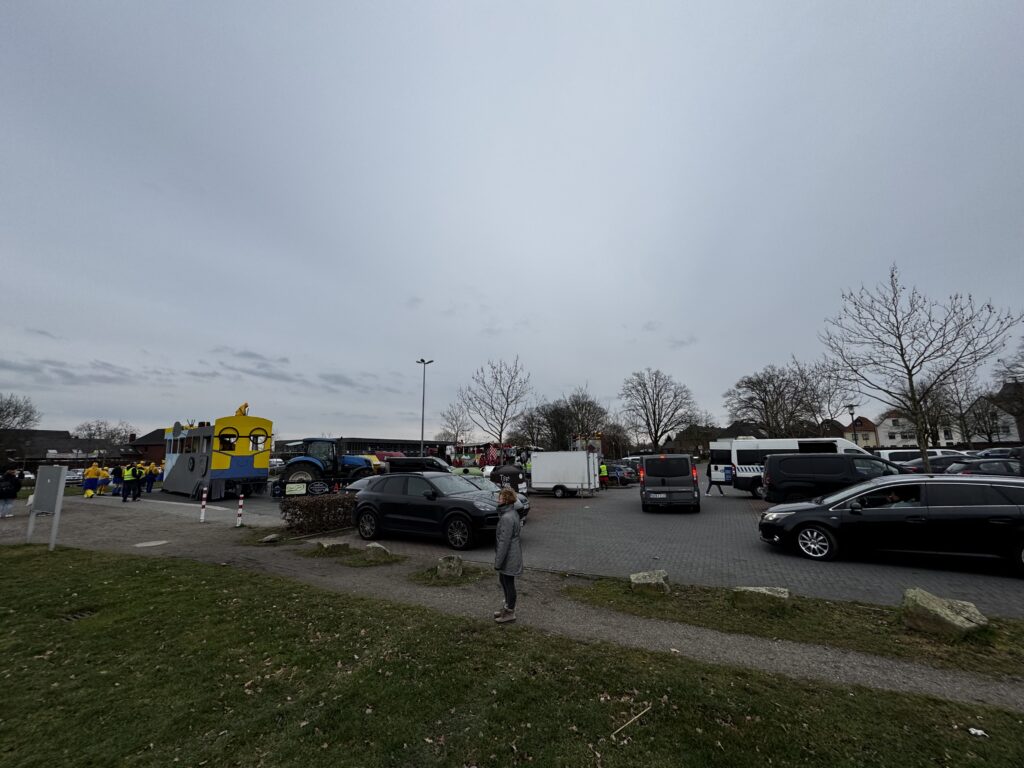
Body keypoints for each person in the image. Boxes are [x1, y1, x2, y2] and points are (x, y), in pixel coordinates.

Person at [493, 488, 523, 624]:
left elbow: (504, 542)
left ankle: (510, 612)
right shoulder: (511, 513)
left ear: (505, 500)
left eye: (500, 498)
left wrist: (498, 562)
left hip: (509, 555)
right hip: (511, 553)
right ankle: (507, 608)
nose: (497, 500)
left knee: (508, 583)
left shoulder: (506, 517)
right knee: (504, 580)